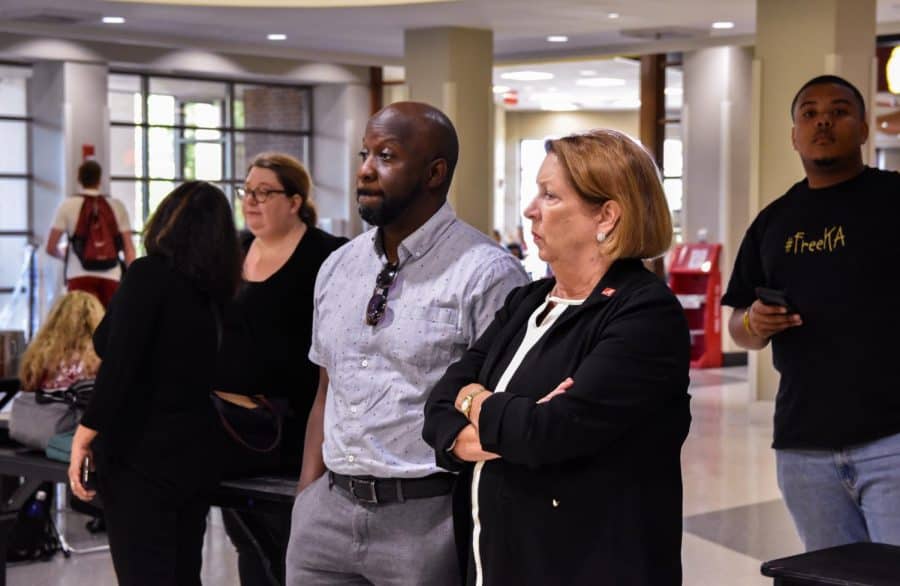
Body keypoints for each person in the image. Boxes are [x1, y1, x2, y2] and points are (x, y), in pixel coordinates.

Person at [423, 129, 692, 586]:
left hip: (588, 563)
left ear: (606, 215)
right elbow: (439, 406)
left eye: (550, 195)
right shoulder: (526, 302)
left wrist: (477, 406)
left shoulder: (645, 312)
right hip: (495, 560)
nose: (530, 210)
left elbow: (548, 433)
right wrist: (488, 413)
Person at [285, 102, 529, 586]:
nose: (365, 171)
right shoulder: (338, 266)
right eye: (364, 154)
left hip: (428, 517)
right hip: (326, 515)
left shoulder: (487, 274)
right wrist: (306, 499)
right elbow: (325, 390)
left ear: (434, 172)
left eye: (386, 156)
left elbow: (502, 415)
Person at [723, 74, 900, 551]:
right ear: (794, 135)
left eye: (840, 111)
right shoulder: (773, 222)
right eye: (809, 113)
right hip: (804, 444)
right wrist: (754, 323)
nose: (823, 120)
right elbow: (738, 325)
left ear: (864, 129)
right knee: (832, 578)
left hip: (892, 439)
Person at [67, 181, 242, 586]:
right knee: (183, 574)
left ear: (165, 222)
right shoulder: (217, 291)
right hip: (195, 453)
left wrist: (83, 436)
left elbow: (117, 362)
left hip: (140, 457)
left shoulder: (149, 275)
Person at [214, 152, 346, 585]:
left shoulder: (327, 256)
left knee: (292, 547)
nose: (251, 201)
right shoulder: (231, 252)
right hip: (236, 428)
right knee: (249, 547)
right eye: (246, 191)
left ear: (294, 200)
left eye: (264, 192)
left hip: (295, 428)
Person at [46, 160, 136, 307]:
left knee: (81, 325)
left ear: (79, 179)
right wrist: (132, 278)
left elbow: (50, 247)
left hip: (78, 275)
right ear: (100, 180)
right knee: (109, 325)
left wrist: (65, 255)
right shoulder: (117, 206)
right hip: (111, 275)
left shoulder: (67, 206)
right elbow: (129, 249)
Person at [18, 290, 104, 393]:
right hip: (83, 407)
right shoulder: (99, 358)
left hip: (41, 407)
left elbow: (28, 385)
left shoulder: (39, 356)